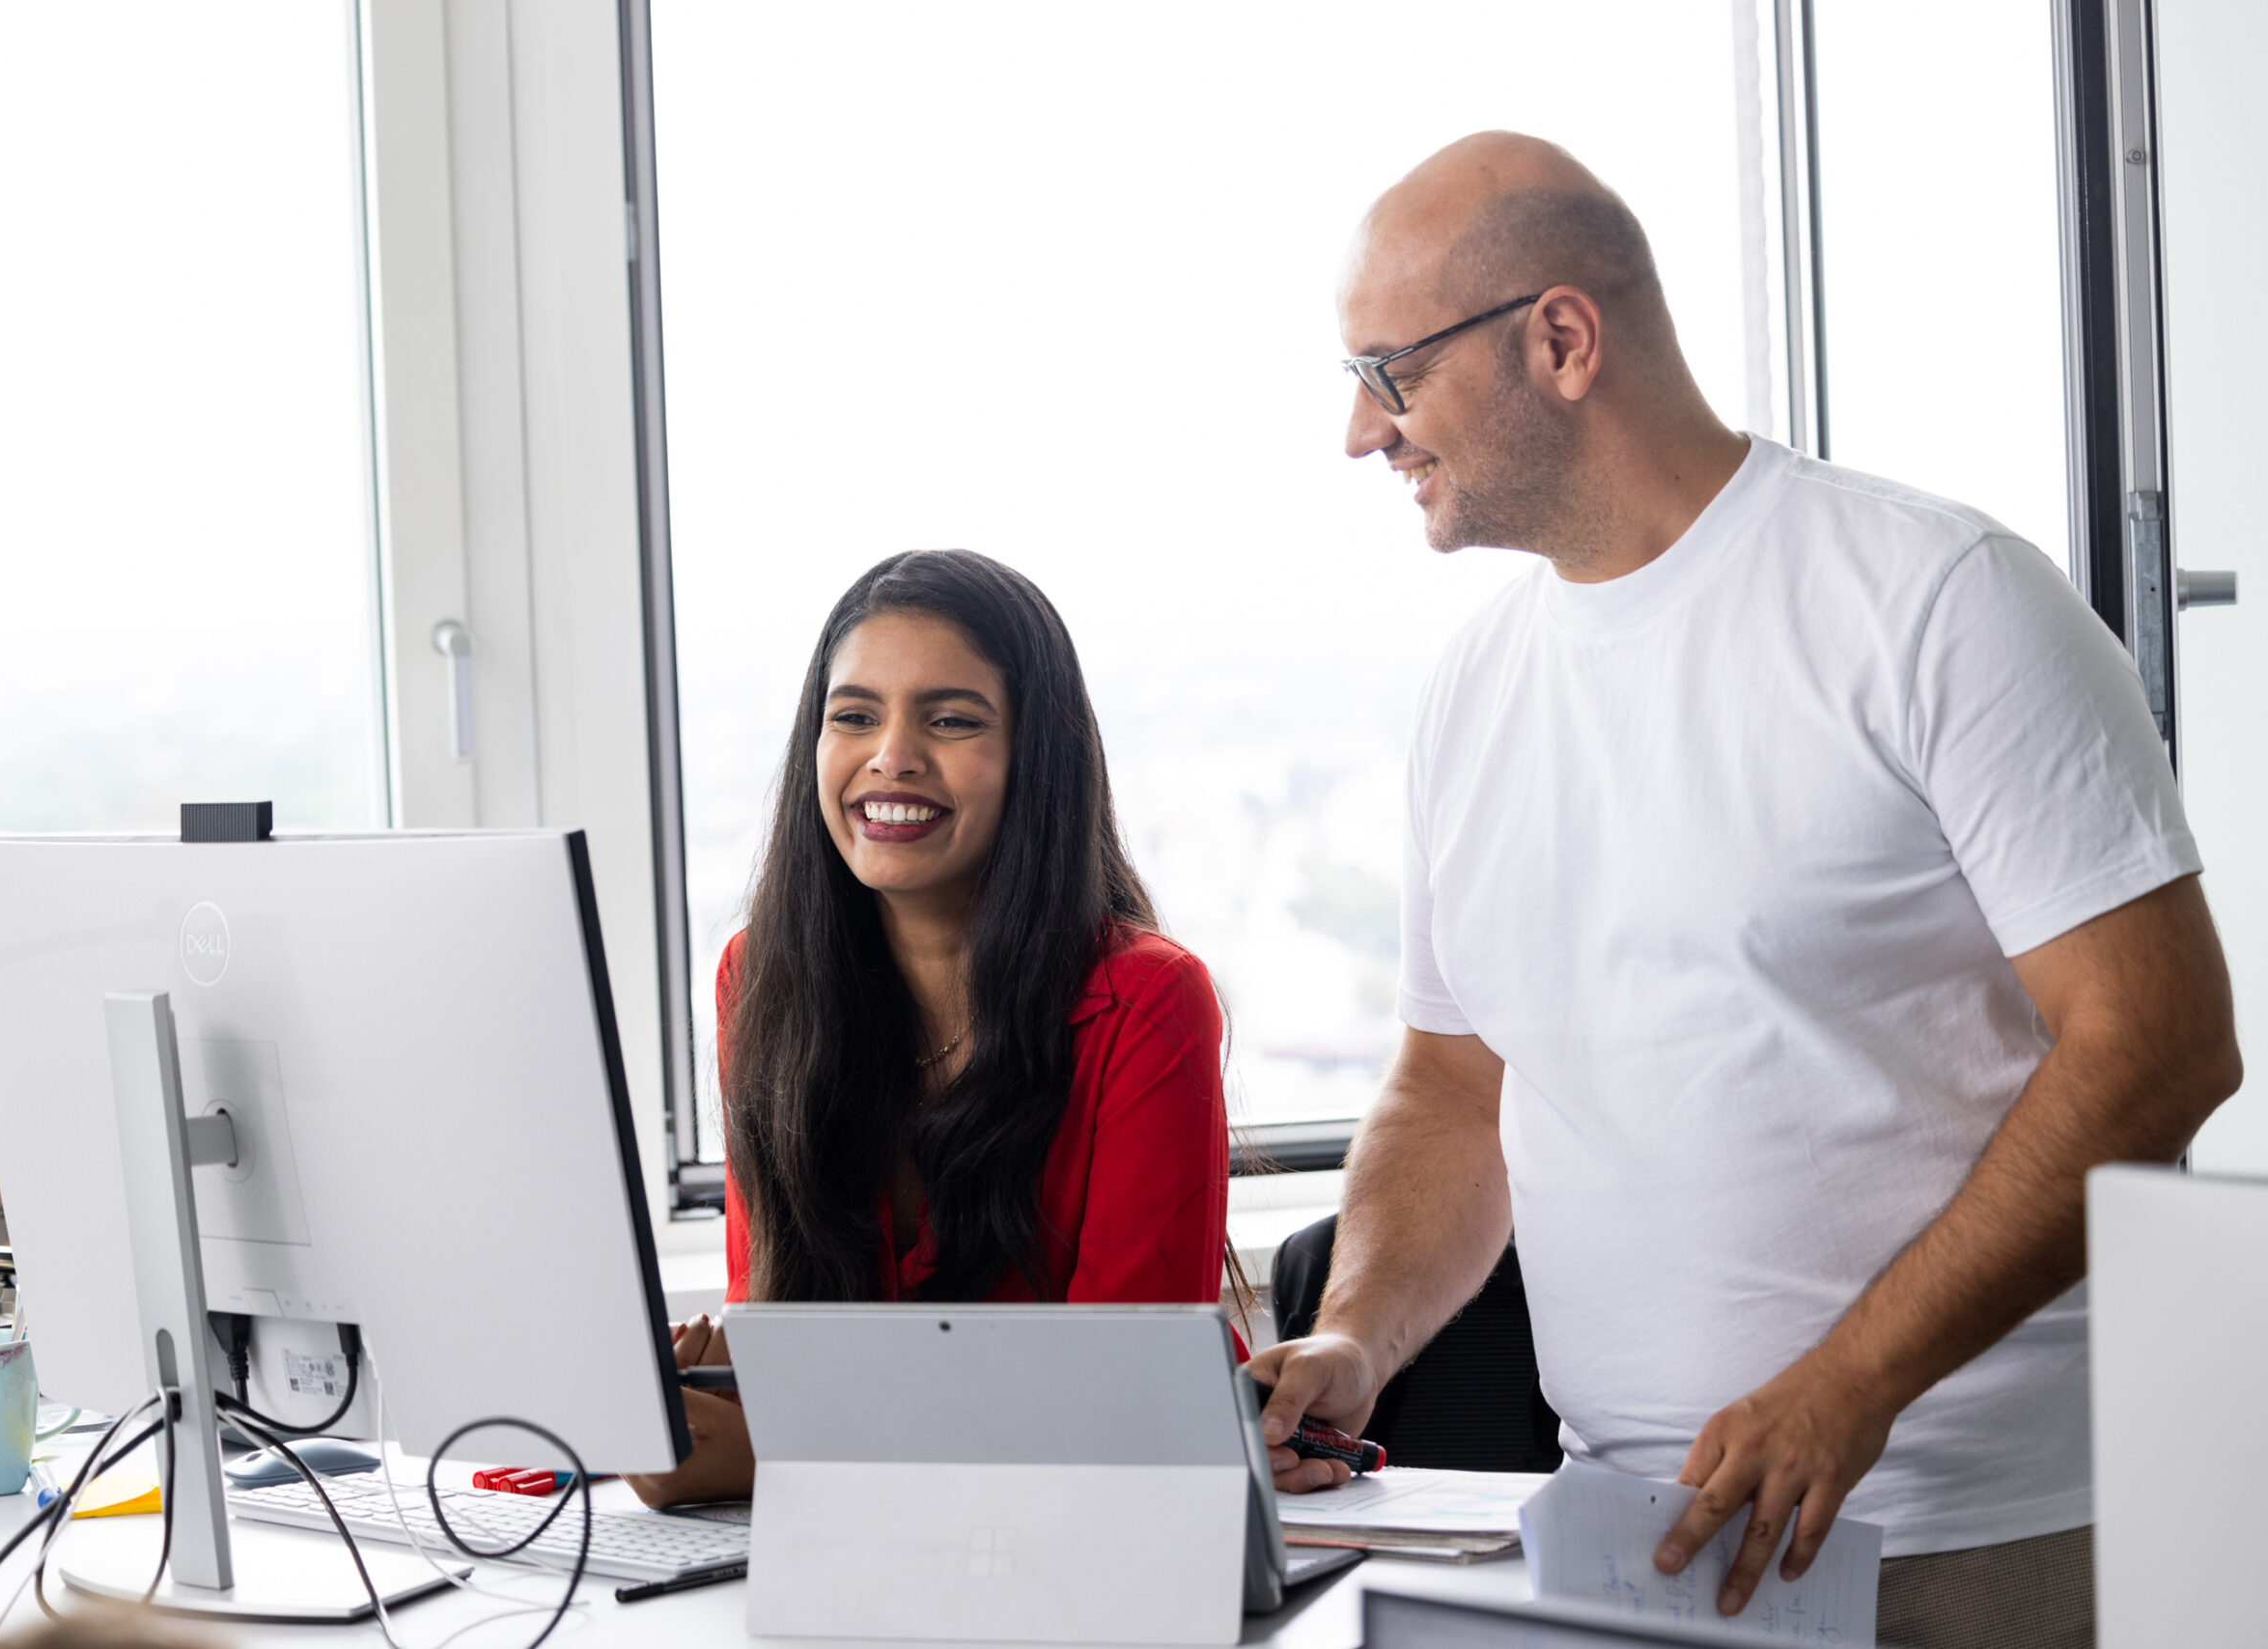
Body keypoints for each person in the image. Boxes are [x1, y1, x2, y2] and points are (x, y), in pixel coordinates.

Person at [1246, 131, 2240, 1649]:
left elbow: (2159, 1048)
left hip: (1965, 1533)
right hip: (1624, 1548)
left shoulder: (1939, 600)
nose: (1362, 435)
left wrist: (1849, 1386)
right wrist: (1356, 1337)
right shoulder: (1476, 691)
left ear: (1562, 340)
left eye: (1390, 374)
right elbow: (1456, 1083)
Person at [627, 548, 1236, 1508]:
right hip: (858, 1540)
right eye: (854, 715)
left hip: (1087, 1537)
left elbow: (1128, 1403)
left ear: (1034, 756)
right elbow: (777, 1323)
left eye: (949, 719)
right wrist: (715, 1401)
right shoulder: (762, 978)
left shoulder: (1147, 1001)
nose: (891, 756)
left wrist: (785, 1456)